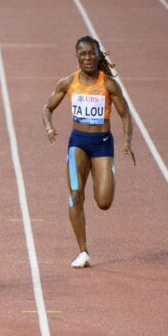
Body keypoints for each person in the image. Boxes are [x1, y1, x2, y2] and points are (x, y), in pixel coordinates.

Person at [42, 35, 135, 268]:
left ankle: (108, 172)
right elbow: (47, 107)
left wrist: (127, 142)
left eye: (92, 53)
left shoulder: (108, 84)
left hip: (102, 143)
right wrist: (49, 126)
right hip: (78, 144)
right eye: (83, 54)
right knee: (75, 195)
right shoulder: (68, 82)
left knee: (103, 202)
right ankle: (83, 251)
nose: (87, 58)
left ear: (97, 55)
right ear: (77, 57)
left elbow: (125, 115)